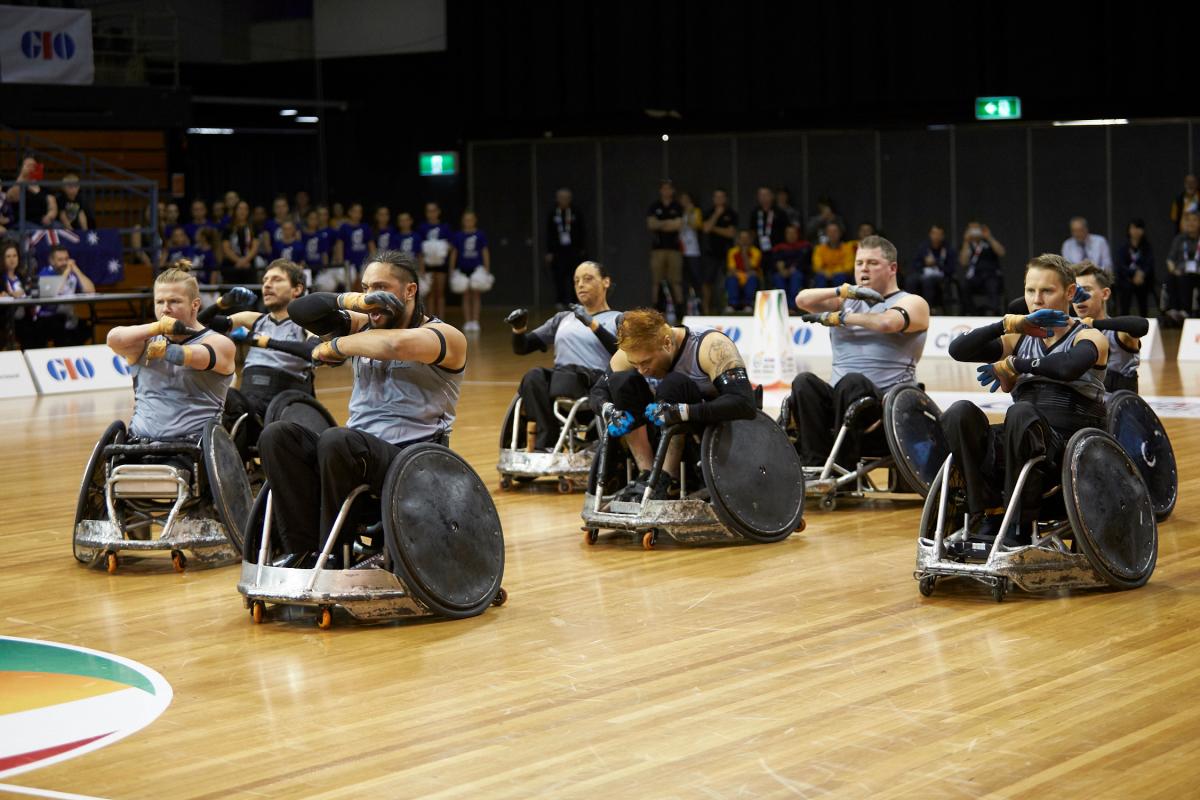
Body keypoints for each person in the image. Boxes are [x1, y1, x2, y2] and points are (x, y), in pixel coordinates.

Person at [257, 249, 467, 566]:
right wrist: (352, 302)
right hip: (355, 453)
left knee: (338, 439)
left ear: (410, 291)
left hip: (414, 460)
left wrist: (332, 346)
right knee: (277, 436)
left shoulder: (445, 335)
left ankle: (335, 555)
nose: (371, 297)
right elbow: (300, 310)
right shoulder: (362, 322)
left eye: (380, 287)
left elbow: (391, 345)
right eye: (366, 287)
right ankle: (302, 552)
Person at [942, 253, 1108, 546]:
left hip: (1065, 446)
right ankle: (987, 511)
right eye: (1030, 291)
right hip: (1022, 435)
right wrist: (1006, 324)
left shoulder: (1091, 337)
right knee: (959, 414)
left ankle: (1019, 524)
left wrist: (1016, 364)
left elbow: (1066, 368)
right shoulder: (1018, 336)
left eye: (1047, 290)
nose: (1037, 299)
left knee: (1020, 412)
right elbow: (958, 350)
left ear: (1069, 292)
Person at [786, 235, 930, 469]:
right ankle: (815, 466)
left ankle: (843, 465)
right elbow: (802, 300)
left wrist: (841, 318)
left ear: (892, 268)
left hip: (884, 406)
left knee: (851, 382)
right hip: (839, 400)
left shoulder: (913, 302)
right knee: (804, 383)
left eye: (872, 263)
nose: (864, 268)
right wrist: (844, 291)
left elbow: (887, 323)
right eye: (859, 263)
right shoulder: (846, 300)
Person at [588, 308, 755, 500]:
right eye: (635, 364)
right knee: (621, 382)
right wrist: (608, 410)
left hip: (709, 426)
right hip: (659, 427)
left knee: (673, 383)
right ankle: (647, 474)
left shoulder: (711, 346)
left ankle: (666, 477)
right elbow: (597, 392)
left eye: (646, 362)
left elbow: (744, 403)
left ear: (667, 343)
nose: (642, 370)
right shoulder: (631, 353)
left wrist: (682, 412)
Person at [106, 262, 236, 445]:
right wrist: (157, 327)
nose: (165, 308)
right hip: (139, 443)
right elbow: (113, 339)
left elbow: (190, 355)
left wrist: (165, 349)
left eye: (174, 301)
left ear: (195, 305)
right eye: (159, 302)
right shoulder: (146, 341)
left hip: (194, 446)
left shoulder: (220, 343)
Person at [506, 261, 620, 451]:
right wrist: (518, 329)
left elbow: (621, 351)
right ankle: (547, 437)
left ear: (606, 282)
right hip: (562, 382)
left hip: (595, 386)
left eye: (588, 279)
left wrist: (592, 324)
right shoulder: (563, 318)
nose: (580, 285)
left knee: (568, 379)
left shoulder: (617, 318)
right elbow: (523, 347)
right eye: (576, 281)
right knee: (533, 377)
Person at [209, 261, 319, 440]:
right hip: (249, 399)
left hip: (283, 403)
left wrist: (263, 341)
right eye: (265, 280)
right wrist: (221, 304)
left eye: (276, 280)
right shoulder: (255, 319)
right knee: (217, 400)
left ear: (297, 289)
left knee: (229, 401)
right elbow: (199, 325)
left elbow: (314, 350)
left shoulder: (308, 321)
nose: (267, 285)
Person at [1070, 260, 1147, 394]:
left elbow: (1141, 325)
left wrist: (1093, 324)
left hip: (1119, 409)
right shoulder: (1070, 329)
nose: (1079, 298)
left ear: (1105, 294)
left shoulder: (1119, 333)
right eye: (1075, 291)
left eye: (1086, 290)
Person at [32, 245, 95, 347]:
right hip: (46, 318)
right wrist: (66, 272)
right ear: (52, 261)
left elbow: (91, 290)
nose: (65, 263)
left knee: (86, 329)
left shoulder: (72, 274)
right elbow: (55, 292)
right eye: (60, 260)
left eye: (66, 259)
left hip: (67, 317)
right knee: (60, 329)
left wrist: (76, 270)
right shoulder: (46, 272)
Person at [545, 188, 587, 310]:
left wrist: (582, 248)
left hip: (573, 251)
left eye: (566, 198)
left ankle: (575, 301)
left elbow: (582, 231)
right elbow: (549, 234)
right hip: (558, 251)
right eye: (561, 198)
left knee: (575, 276)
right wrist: (549, 251)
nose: (563, 200)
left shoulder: (575, 212)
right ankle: (560, 301)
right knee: (559, 276)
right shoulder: (553, 213)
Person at [646, 180, 683, 314]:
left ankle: (679, 310)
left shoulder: (677, 206)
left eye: (669, 189)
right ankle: (656, 308)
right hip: (658, 248)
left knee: (676, 280)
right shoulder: (654, 206)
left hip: (674, 248)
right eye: (664, 188)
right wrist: (669, 223)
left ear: (672, 191)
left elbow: (678, 224)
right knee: (657, 280)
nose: (666, 191)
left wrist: (660, 223)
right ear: (661, 191)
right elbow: (651, 224)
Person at [449, 210, 490, 331]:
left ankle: (475, 321)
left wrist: (487, 268)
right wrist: (452, 269)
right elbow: (454, 253)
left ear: (475, 220)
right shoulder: (458, 236)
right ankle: (467, 321)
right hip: (462, 268)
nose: (468, 222)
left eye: (470, 219)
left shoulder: (480, 234)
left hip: (476, 268)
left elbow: (485, 251)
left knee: (476, 295)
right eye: (466, 220)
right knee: (466, 295)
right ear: (463, 221)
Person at [906, 224, 959, 311]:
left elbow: (951, 268)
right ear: (930, 234)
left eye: (939, 234)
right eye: (934, 233)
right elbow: (915, 264)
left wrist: (936, 263)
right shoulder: (923, 247)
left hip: (941, 275)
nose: (936, 236)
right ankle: (910, 308)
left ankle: (927, 309)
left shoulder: (948, 249)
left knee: (928, 281)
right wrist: (925, 263)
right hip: (923, 273)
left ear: (943, 236)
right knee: (911, 280)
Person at [701, 189, 737, 313]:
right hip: (711, 252)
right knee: (707, 282)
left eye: (721, 197)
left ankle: (724, 308)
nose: (719, 199)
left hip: (727, 252)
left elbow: (730, 233)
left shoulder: (731, 213)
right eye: (716, 197)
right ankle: (706, 309)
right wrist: (716, 215)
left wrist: (713, 228)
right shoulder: (709, 212)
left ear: (725, 198)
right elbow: (706, 228)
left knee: (726, 281)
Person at [959, 220, 1006, 314]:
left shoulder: (988, 243)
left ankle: (994, 312)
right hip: (975, 277)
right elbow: (963, 262)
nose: (975, 232)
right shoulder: (968, 245)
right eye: (972, 229)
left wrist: (989, 237)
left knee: (993, 285)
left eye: (977, 229)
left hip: (990, 275)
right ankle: (972, 312)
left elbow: (1001, 252)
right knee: (964, 287)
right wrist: (966, 241)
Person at [416, 201, 453, 319]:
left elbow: (451, 246)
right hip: (428, 265)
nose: (431, 213)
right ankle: (430, 319)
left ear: (438, 212)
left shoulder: (445, 227)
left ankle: (440, 319)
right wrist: (421, 268)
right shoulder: (423, 228)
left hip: (441, 264)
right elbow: (420, 250)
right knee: (430, 294)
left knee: (440, 292)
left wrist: (440, 247)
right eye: (429, 211)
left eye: (433, 211)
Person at [1112, 219, 1155, 318]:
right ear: (1129, 230)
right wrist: (1133, 274)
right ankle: (1123, 320)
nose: (1136, 231)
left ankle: (1145, 319)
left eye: (1138, 228)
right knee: (1124, 292)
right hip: (1126, 279)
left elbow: (1149, 264)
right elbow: (1120, 265)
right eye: (1133, 228)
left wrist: (1141, 274)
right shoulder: (1123, 247)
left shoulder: (1147, 247)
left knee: (1143, 292)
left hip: (1142, 280)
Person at [1164, 211, 1200, 322]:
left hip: (1198, 274)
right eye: (1188, 220)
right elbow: (1170, 260)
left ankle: (1186, 311)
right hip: (1181, 273)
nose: (1191, 223)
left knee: (1187, 279)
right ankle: (1175, 310)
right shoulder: (1179, 239)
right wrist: (1173, 270)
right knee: (1171, 277)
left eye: (1194, 220)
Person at [5, 156, 57, 227]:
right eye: (28, 165)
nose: (32, 168)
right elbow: (11, 197)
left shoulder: (44, 188)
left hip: (43, 220)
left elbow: (52, 206)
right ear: (21, 168)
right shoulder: (16, 184)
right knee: (37, 231)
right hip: (23, 222)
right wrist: (22, 176)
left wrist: (49, 216)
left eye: (34, 165)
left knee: (59, 227)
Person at [0, 239, 33, 350]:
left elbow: (29, 292)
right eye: (8, 256)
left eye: (15, 256)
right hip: (5, 319)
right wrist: (10, 295)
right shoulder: (0, 277)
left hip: (24, 319)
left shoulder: (22, 276)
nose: (12, 259)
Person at [770, 224, 811, 309]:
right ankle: (782, 306)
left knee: (796, 276)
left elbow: (803, 261)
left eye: (793, 233)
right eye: (789, 233)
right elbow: (777, 261)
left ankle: (793, 306)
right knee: (777, 277)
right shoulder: (779, 247)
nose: (791, 235)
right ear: (785, 234)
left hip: (798, 271)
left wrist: (793, 269)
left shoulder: (804, 246)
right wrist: (782, 270)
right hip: (782, 272)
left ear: (797, 234)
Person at [678, 191, 704, 312]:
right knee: (683, 280)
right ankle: (684, 306)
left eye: (686, 199)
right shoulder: (679, 212)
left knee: (696, 278)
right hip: (681, 250)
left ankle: (699, 303)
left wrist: (689, 213)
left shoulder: (695, 211)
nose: (684, 202)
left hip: (693, 250)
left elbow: (696, 225)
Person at [222, 200, 260, 284]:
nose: (242, 211)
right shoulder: (228, 228)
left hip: (249, 265)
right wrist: (238, 261)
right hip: (232, 265)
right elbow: (226, 248)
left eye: (245, 209)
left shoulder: (253, 227)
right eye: (240, 209)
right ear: (235, 211)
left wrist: (245, 261)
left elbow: (255, 247)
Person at [724, 230, 762, 312]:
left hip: (750, 278)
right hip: (738, 276)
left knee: (752, 278)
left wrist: (744, 253)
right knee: (731, 278)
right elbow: (732, 269)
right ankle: (732, 305)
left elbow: (750, 268)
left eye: (746, 238)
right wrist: (742, 275)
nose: (744, 241)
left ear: (751, 240)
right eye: (742, 238)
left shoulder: (756, 252)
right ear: (738, 240)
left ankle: (748, 304)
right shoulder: (732, 252)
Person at [810, 221, 856, 288]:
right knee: (820, 278)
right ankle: (821, 298)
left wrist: (832, 272)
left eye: (835, 231)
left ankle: (839, 298)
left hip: (841, 275)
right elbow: (817, 266)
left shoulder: (847, 248)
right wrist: (827, 273)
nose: (832, 234)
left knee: (840, 278)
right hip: (824, 275)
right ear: (826, 233)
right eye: (829, 231)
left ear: (840, 233)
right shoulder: (819, 248)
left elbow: (849, 267)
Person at [749, 186, 787, 254]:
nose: (763, 197)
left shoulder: (780, 213)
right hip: (759, 247)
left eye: (766, 195)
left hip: (777, 248)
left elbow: (785, 230)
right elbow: (752, 230)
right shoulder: (755, 212)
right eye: (761, 195)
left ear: (772, 196)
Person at [300, 209, 331, 275]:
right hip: (305, 268)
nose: (313, 221)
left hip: (319, 267)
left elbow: (324, 253)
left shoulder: (322, 235)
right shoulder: (301, 235)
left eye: (315, 218)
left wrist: (325, 268)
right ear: (306, 219)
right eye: (311, 218)